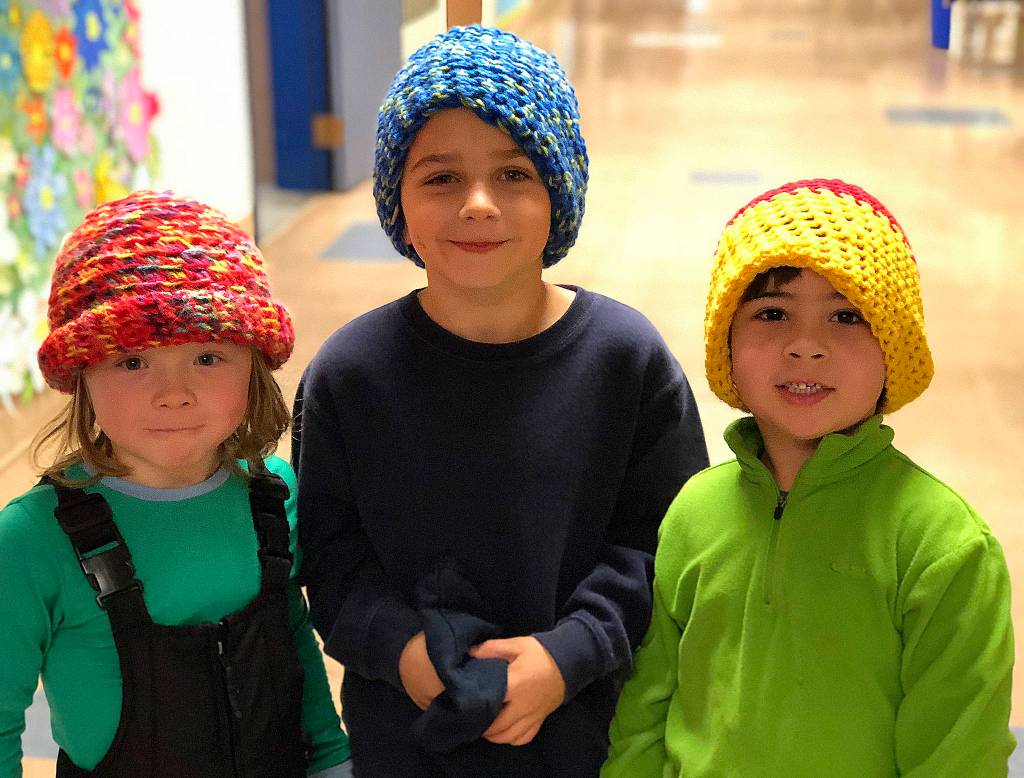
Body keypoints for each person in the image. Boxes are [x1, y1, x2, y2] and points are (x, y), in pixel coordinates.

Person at [292, 24, 709, 778]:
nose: (478, 204)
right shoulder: (350, 377)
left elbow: (667, 544)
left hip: (589, 738)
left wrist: (572, 652)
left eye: (514, 173)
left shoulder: (627, 362)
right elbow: (330, 557)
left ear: (559, 192)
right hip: (409, 740)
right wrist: (406, 652)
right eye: (441, 178)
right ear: (398, 201)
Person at [602, 179, 1015, 777]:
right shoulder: (694, 512)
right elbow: (645, 713)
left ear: (893, 350)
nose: (805, 346)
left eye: (846, 316)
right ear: (728, 344)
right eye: (772, 313)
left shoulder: (942, 546)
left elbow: (959, 758)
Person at [0, 191, 353, 777]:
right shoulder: (31, 539)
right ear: (83, 374)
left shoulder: (272, 496)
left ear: (254, 364)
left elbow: (291, 633)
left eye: (207, 358)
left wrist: (333, 756)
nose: (174, 394)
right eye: (132, 362)